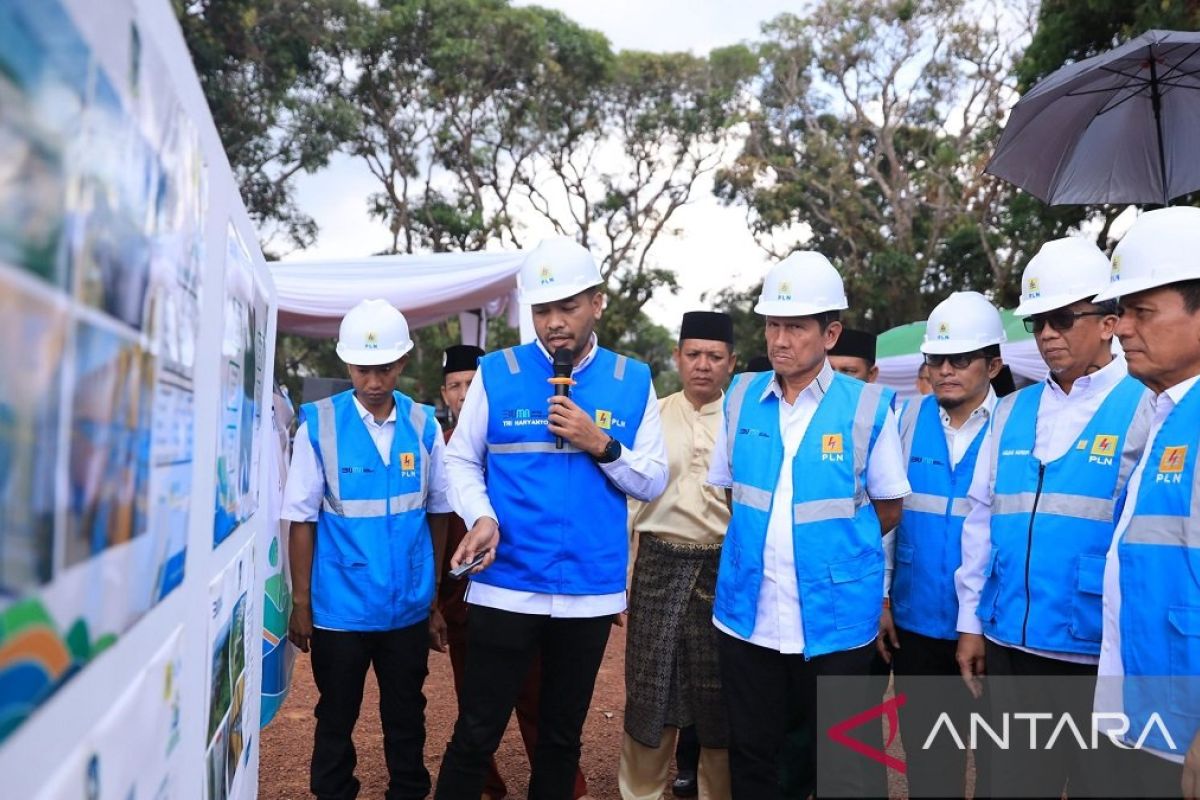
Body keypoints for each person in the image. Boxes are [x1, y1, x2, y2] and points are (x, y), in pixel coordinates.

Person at [436, 237, 668, 800]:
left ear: (598, 303)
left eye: (568, 307)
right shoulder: (498, 372)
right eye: (543, 310)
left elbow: (654, 478)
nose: (555, 323)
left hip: (588, 592)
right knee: (476, 731)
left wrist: (600, 443)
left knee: (561, 740)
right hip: (507, 584)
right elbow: (460, 460)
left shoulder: (632, 380)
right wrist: (482, 517)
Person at [955, 237, 1154, 797]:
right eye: (1038, 321)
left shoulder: (1146, 405)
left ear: (1109, 321)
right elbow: (980, 519)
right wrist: (971, 621)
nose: (1046, 335)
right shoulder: (1013, 410)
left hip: (1099, 654)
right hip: (1011, 645)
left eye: (1064, 319)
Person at [708, 251, 911, 799]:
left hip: (837, 620)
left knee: (843, 761)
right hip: (748, 613)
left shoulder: (868, 405)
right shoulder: (742, 396)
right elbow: (735, 494)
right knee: (752, 755)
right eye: (773, 324)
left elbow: (889, 506)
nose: (779, 339)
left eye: (794, 326)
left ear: (830, 333)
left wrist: (835, 552)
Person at [283, 298, 451, 800]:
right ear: (346, 363)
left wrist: (434, 596)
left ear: (401, 362)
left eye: (383, 369)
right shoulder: (318, 425)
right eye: (362, 369)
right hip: (341, 609)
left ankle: (408, 790)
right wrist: (301, 603)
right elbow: (301, 519)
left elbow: (438, 512)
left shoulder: (424, 425)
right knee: (336, 715)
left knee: (406, 714)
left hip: (406, 606)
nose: (373, 382)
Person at [438, 345, 590, 800]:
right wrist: (437, 602)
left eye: (471, 384)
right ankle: (484, 785)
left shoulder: (527, 438)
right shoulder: (444, 447)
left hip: (526, 586)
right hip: (462, 595)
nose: (465, 394)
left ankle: (565, 784)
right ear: (444, 394)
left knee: (541, 699)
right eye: (455, 386)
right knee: (477, 708)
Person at [1091, 206, 1200, 796]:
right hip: (1147, 713)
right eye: (1119, 311)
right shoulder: (1167, 414)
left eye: (1142, 312)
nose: (1122, 328)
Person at [883, 292, 1004, 798]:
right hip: (918, 623)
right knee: (931, 766)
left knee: (1004, 767)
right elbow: (887, 516)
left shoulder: (1017, 425)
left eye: (961, 359)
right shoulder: (904, 420)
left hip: (995, 628)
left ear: (993, 364)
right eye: (936, 359)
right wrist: (885, 597)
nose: (945, 370)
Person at [620, 311, 736, 800]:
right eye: (693, 355)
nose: (702, 366)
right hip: (657, 567)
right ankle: (639, 793)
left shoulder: (746, 421)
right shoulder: (653, 416)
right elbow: (626, 503)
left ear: (730, 363)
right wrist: (616, 583)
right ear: (677, 357)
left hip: (725, 568)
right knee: (649, 691)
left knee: (720, 698)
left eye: (714, 356)